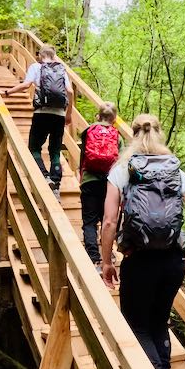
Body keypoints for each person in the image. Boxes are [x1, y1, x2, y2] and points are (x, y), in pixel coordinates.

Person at [99, 114, 185, 369]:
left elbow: (109, 221)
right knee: (159, 321)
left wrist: (107, 261)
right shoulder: (173, 169)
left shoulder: (123, 169)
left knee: (136, 324)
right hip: (173, 259)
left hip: (139, 260)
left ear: (132, 135)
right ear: (159, 133)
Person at [2, 45, 77, 196]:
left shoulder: (36, 67)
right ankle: (56, 185)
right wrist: (68, 114)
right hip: (59, 115)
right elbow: (70, 91)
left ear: (40, 55)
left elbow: (26, 85)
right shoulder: (61, 69)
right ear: (54, 55)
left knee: (34, 148)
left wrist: (6, 92)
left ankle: (45, 176)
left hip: (42, 113)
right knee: (55, 151)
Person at [80, 102, 121, 265]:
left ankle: (93, 257)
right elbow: (119, 162)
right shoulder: (116, 134)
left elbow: (83, 156)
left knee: (89, 221)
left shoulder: (89, 131)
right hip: (109, 183)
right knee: (107, 219)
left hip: (89, 181)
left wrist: (81, 176)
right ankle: (107, 254)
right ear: (114, 118)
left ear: (98, 115)